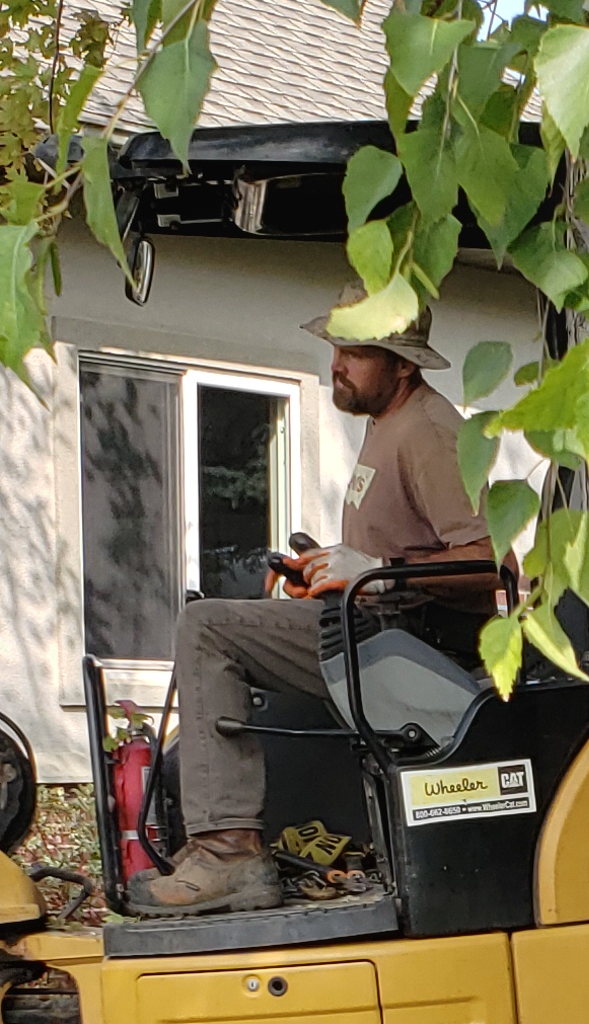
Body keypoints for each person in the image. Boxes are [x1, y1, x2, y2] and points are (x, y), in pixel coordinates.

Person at [131, 316, 490, 916]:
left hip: (413, 645)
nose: (337, 364)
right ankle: (225, 848)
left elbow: (487, 561)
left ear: (403, 364)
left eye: (356, 352)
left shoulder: (429, 431)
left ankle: (227, 853)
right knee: (209, 621)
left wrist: (374, 567)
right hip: (377, 625)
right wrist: (327, 574)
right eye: (335, 348)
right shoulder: (389, 423)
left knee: (207, 628)